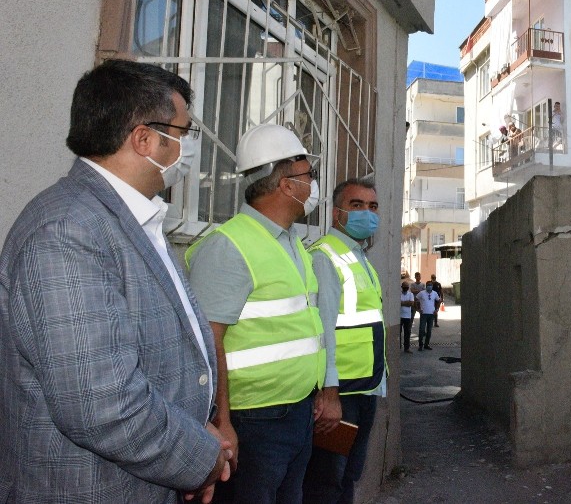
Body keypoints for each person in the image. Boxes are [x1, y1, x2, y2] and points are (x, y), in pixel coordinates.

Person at [0, 59, 231, 503]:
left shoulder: (130, 219)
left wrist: (193, 430)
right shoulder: (68, 229)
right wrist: (199, 458)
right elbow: (100, 404)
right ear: (144, 139)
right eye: (183, 134)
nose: (188, 148)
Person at [187, 123, 331, 503]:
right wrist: (222, 421)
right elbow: (206, 340)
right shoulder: (229, 247)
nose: (313, 185)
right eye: (308, 175)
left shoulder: (292, 243)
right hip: (253, 421)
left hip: (297, 412)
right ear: (286, 185)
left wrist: (314, 389)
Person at [304, 177, 387, 504]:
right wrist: (330, 394)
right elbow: (322, 331)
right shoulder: (326, 256)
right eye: (357, 205)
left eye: (373, 206)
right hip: (342, 395)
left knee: (349, 474)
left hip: (365, 388)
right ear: (337, 213)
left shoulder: (360, 258)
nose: (367, 213)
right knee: (328, 481)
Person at [416, 283, 440, 351]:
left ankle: (426, 344)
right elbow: (416, 300)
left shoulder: (435, 293)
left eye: (430, 285)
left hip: (431, 314)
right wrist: (418, 309)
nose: (429, 287)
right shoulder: (421, 293)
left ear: (432, 286)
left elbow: (438, 301)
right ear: (426, 286)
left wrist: (437, 309)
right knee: (421, 329)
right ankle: (420, 345)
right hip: (423, 314)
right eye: (428, 285)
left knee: (429, 330)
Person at [400, 278, 415, 353]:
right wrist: (407, 303)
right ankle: (398, 347)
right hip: (399, 316)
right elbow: (398, 303)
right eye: (404, 286)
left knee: (407, 333)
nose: (406, 287)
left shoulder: (411, 294)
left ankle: (406, 348)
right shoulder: (399, 294)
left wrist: (402, 303)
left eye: (407, 286)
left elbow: (411, 304)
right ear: (402, 287)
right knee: (398, 332)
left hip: (407, 317)